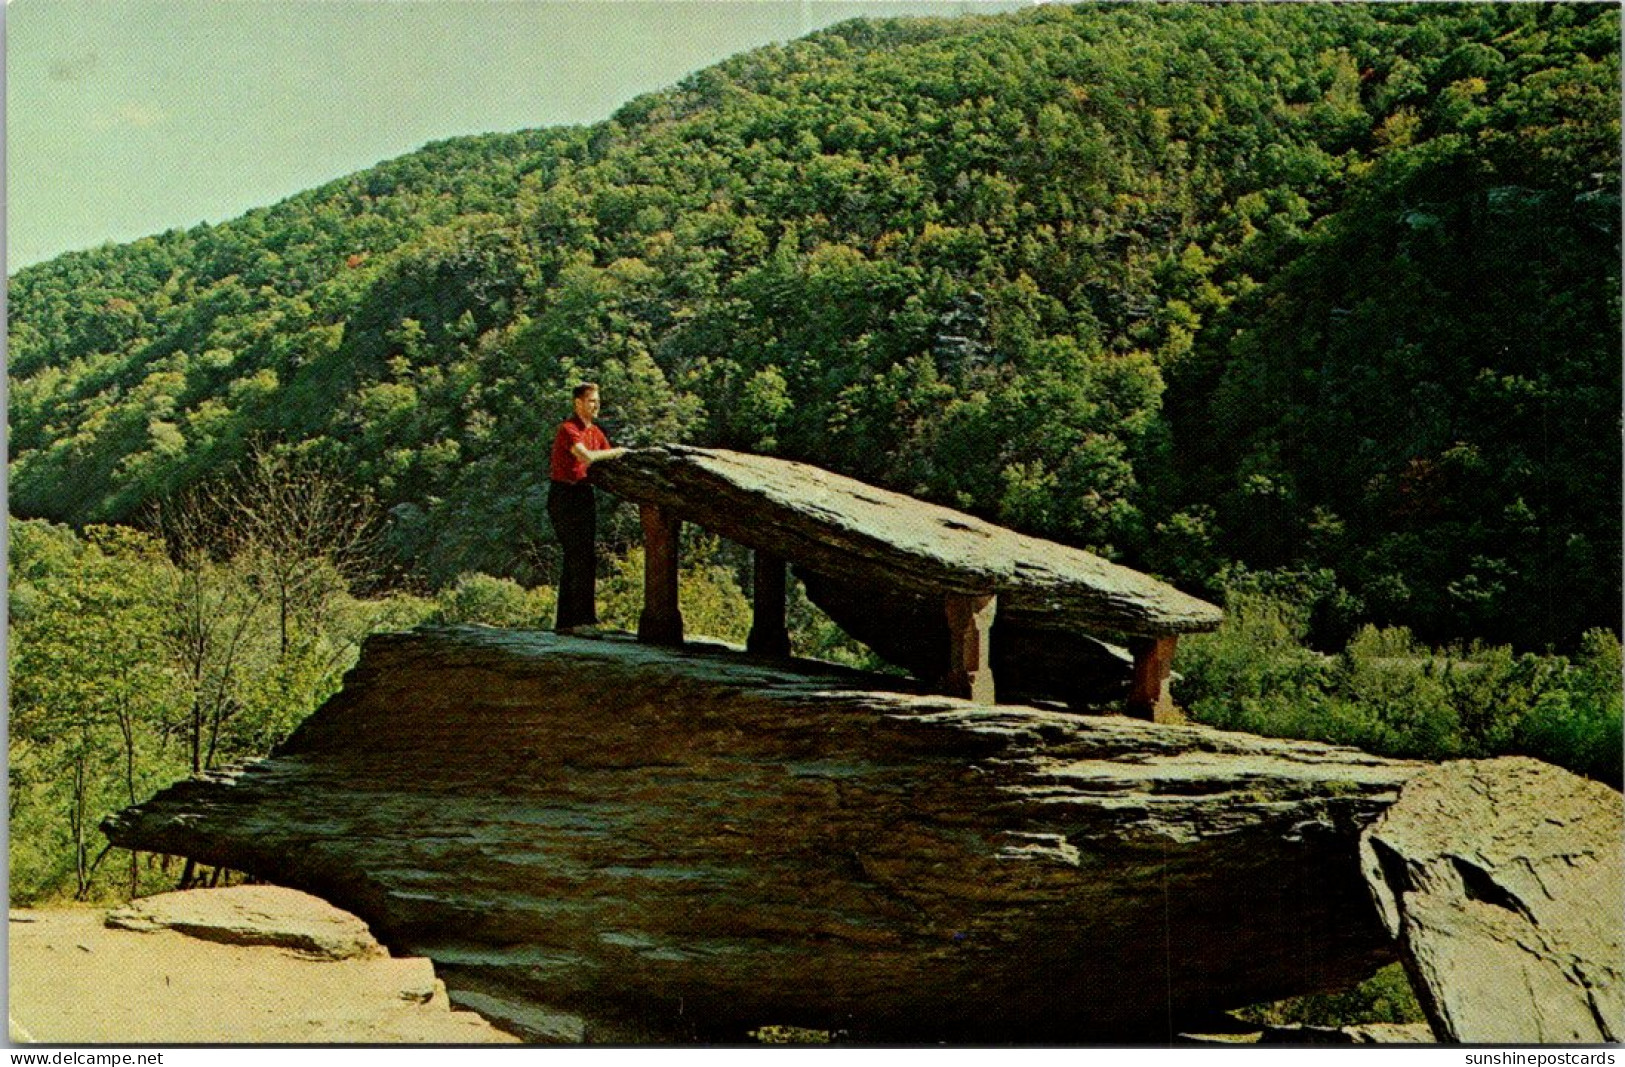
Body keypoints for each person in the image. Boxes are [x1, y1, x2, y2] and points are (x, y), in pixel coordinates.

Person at [547, 382, 626, 633]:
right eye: (591, 400)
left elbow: (606, 456)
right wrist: (618, 452)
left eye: (597, 400)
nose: (596, 405)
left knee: (585, 556)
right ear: (578, 403)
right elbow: (588, 457)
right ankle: (576, 621)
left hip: (583, 494)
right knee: (575, 554)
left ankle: (577, 621)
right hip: (564, 495)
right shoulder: (568, 429)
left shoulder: (596, 432)